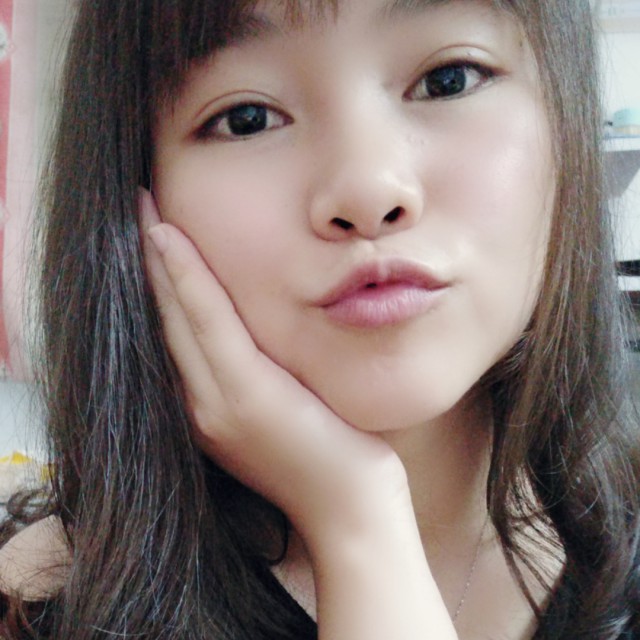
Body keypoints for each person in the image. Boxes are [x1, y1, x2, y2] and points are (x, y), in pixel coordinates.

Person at [0, 0, 638, 638]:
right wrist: (358, 525)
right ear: (136, 195)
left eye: (449, 80)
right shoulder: (46, 603)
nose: (368, 191)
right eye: (246, 120)